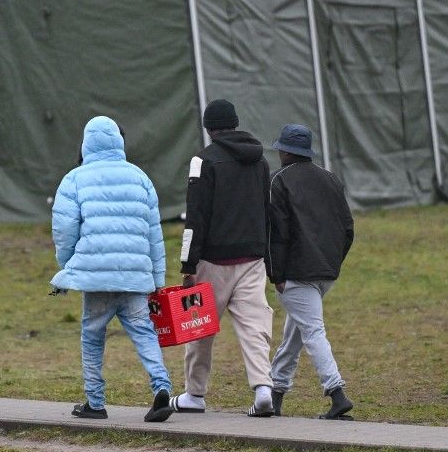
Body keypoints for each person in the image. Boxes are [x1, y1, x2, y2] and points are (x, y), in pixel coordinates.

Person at [51, 115, 175, 423]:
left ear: (85, 143)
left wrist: (67, 265)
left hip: (96, 278)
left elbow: (64, 229)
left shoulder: (75, 179)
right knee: (144, 332)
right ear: (119, 142)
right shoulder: (140, 178)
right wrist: (157, 278)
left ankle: (95, 402)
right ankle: (161, 386)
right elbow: (153, 233)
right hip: (135, 276)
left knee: (92, 336)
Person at [171, 99, 276, 417]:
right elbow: (266, 212)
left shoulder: (202, 161)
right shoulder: (261, 162)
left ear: (209, 128)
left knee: (199, 328)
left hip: (213, 262)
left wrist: (188, 266)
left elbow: (196, 219)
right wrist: (268, 259)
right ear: (235, 123)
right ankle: (262, 389)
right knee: (255, 326)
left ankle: (195, 394)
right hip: (252, 259)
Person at [267, 123, 355, 420]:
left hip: (295, 273)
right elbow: (347, 228)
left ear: (284, 151)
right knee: (295, 333)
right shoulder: (331, 179)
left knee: (312, 332)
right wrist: (333, 262)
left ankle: (336, 393)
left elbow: (276, 233)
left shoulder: (279, 180)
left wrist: (276, 274)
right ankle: (276, 392)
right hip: (326, 272)